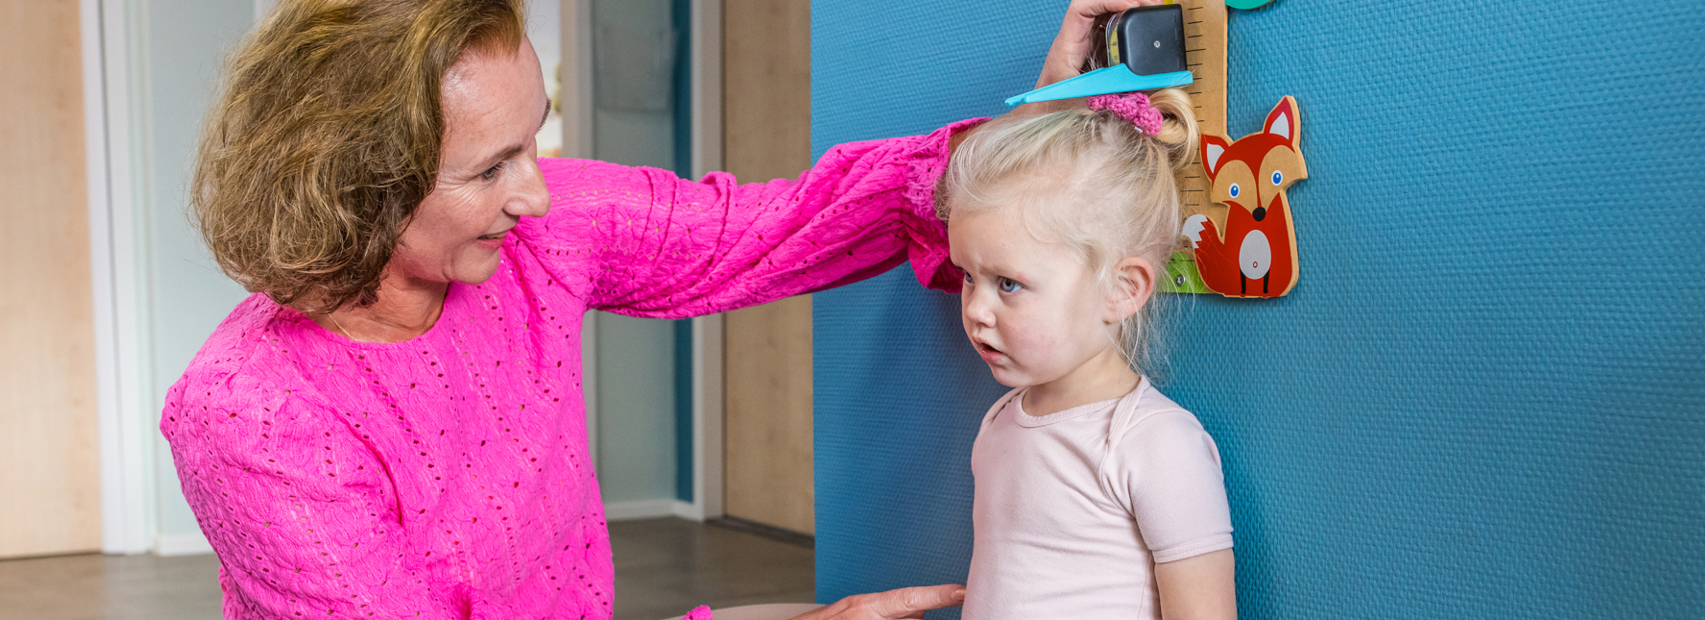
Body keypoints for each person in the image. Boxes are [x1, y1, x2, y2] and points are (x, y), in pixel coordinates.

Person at [165, 0, 1164, 618]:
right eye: (489, 167)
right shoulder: (254, 417)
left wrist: (1034, 143)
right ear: (359, 184)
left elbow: (785, 226)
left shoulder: (534, 235)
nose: (537, 192)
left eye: (534, 140)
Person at [938, 89, 1237, 620]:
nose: (976, 309)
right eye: (967, 276)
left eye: (1008, 283)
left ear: (1120, 290)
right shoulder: (1000, 422)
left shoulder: (1156, 444)